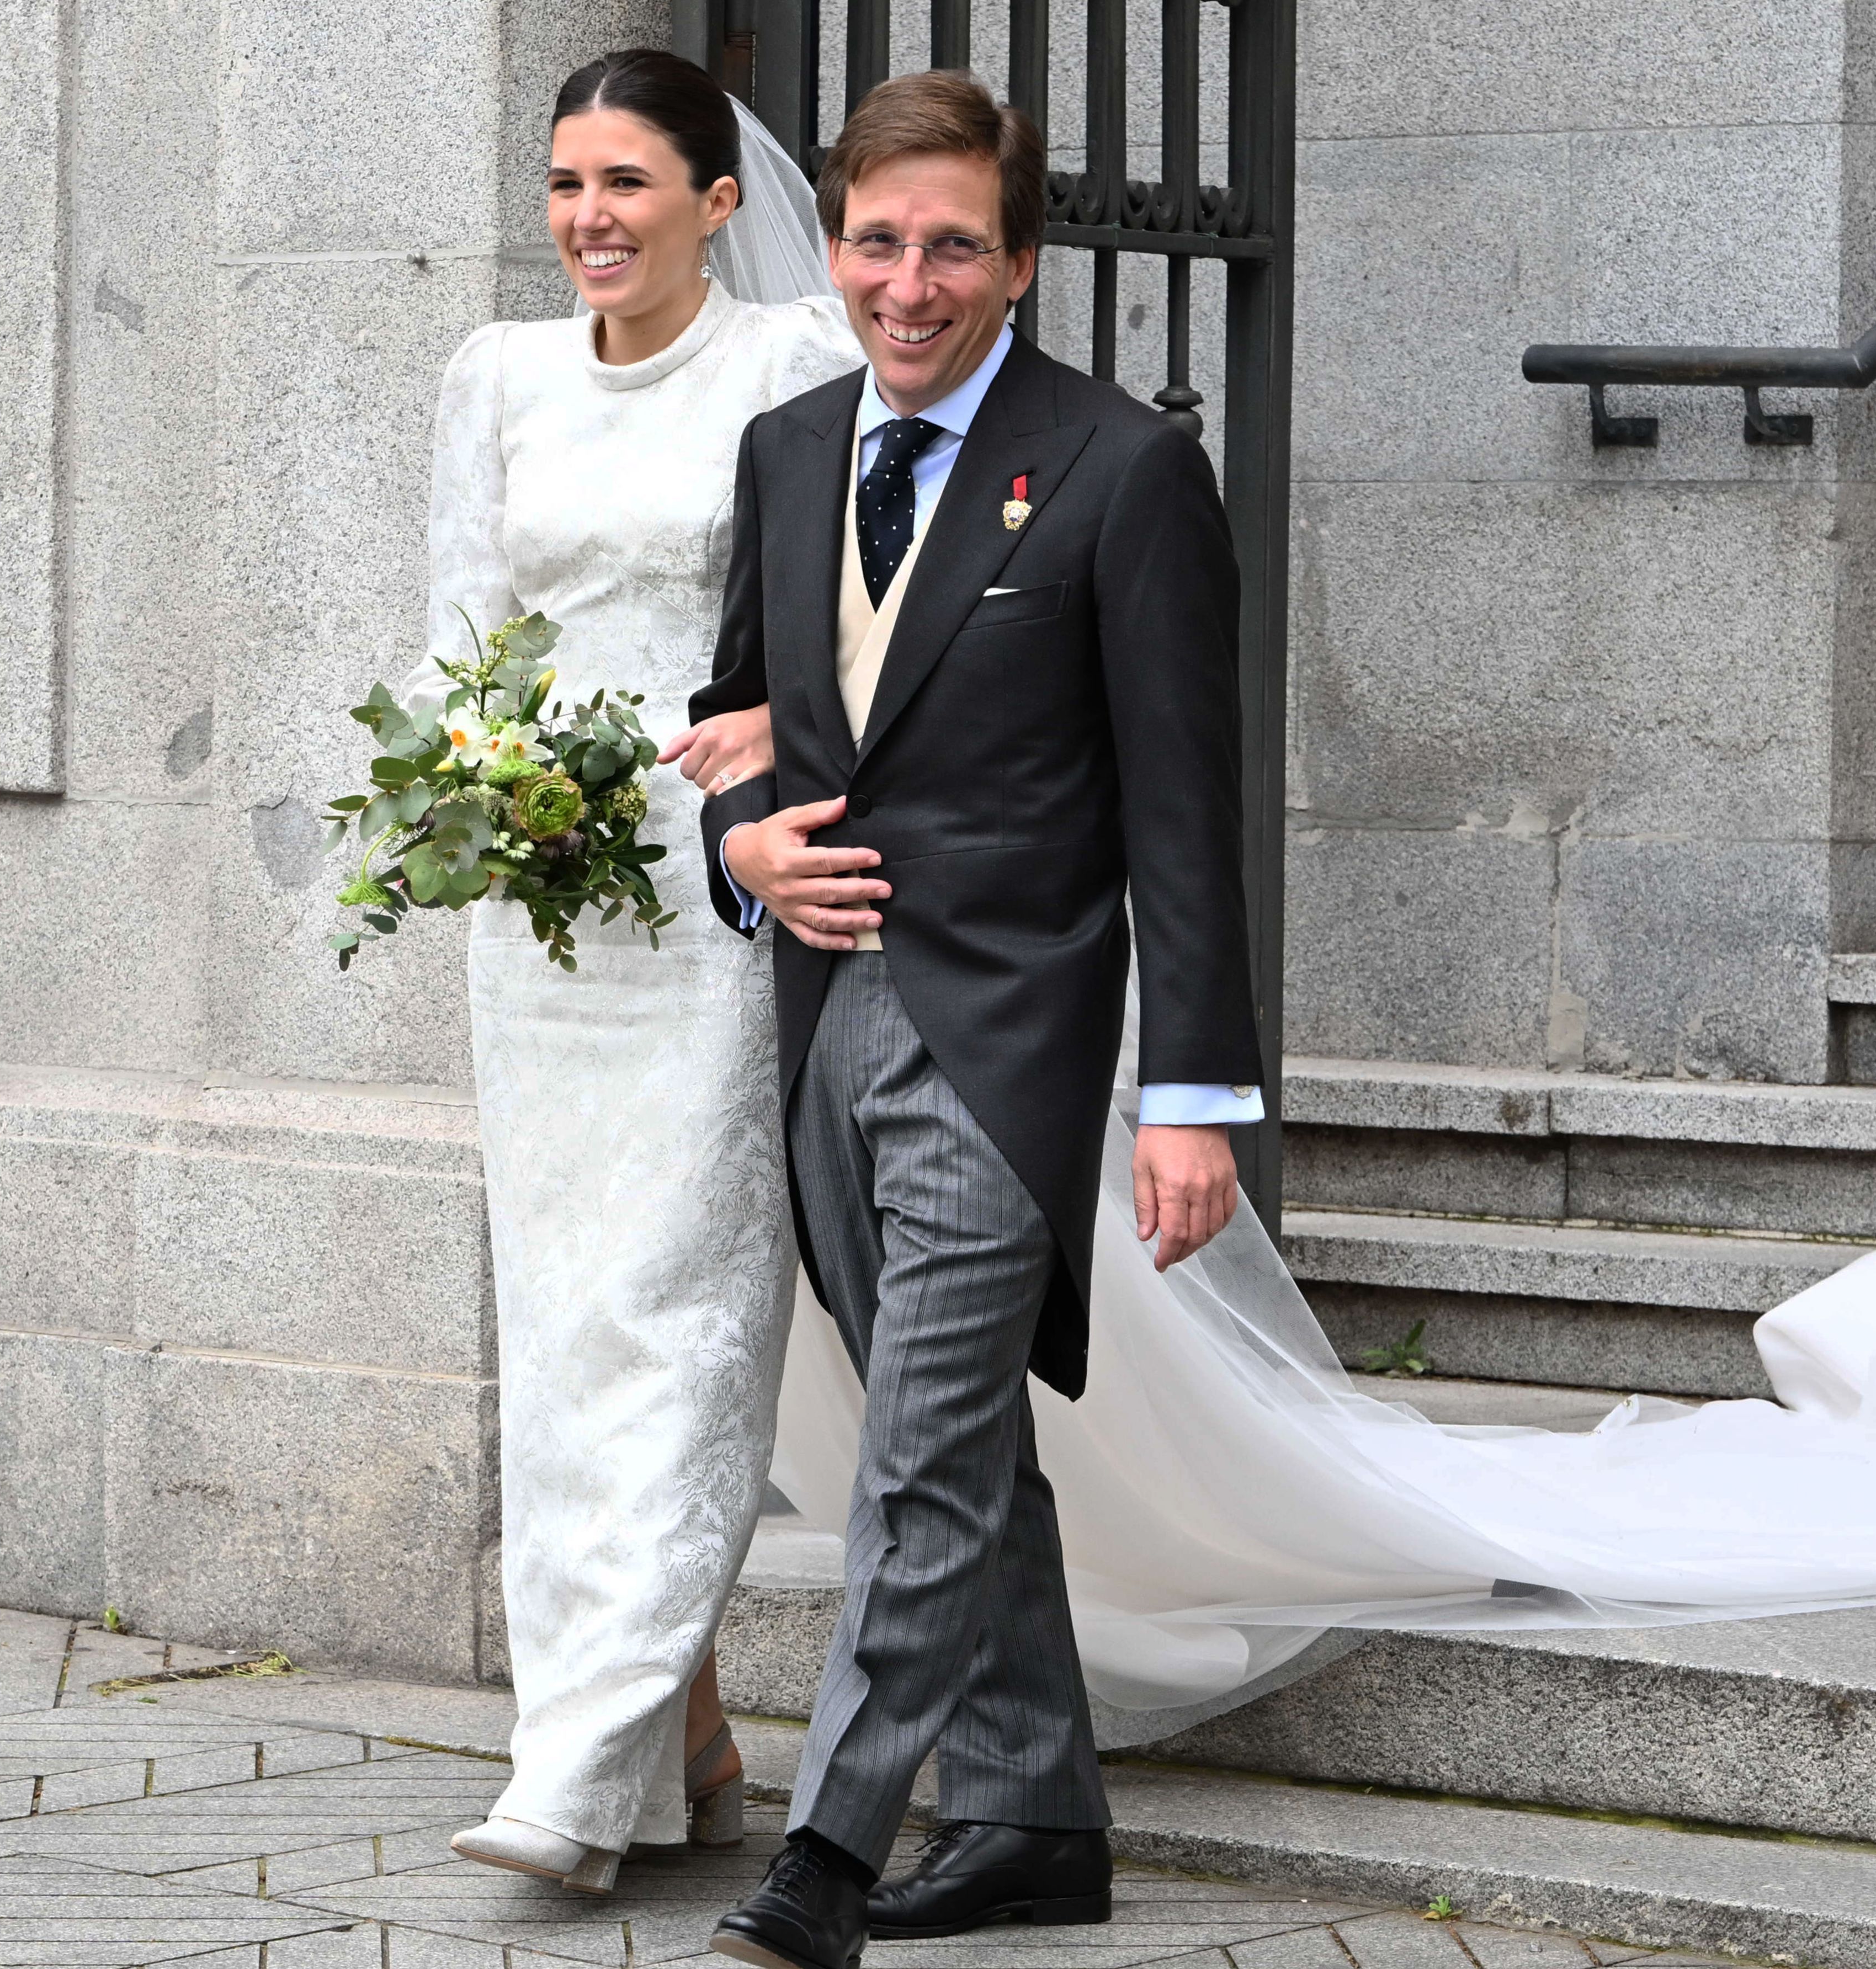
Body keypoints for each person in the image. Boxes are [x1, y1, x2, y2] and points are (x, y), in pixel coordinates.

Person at [688, 68, 1264, 1969]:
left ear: (1020, 263)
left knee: (919, 1451)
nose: (908, 282)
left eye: (952, 246)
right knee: (961, 1438)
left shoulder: (1118, 470)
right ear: (834, 245)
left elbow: (1185, 810)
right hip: (826, 1031)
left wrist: (1187, 1098)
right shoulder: (784, 457)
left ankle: (825, 1864)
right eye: (877, 239)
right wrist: (741, 849)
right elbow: (743, 731)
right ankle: (1032, 1812)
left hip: (1008, 1048)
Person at [403, 48, 860, 1896]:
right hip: (543, 905)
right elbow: (458, 634)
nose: (592, 220)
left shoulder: (788, 362)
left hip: (718, 894)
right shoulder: (492, 375)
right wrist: (477, 789)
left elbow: (847, 623)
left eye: (630, 187)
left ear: (718, 206)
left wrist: (761, 745)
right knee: (565, 1307)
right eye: (566, 186)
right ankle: (678, 1736)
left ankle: (576, 1770)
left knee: (676, 1302)